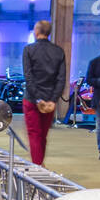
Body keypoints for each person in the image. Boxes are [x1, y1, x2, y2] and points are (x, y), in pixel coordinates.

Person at [20, 20, 66, 167]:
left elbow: (28, 77)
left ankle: (37, 165)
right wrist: (53, 100)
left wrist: (38, 98)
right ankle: (40, 163)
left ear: (36, 31)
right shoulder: (59, 51)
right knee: (43, 135)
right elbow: (61, 79)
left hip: (33, 100)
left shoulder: (28, 50)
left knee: (34, 134)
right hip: (50, 100)